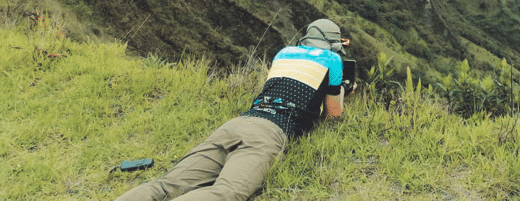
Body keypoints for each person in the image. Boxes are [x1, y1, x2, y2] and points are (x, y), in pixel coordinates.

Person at [115, 19, 351, 201]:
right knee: (226, 193)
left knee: (166, 185)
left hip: (237, 124)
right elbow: (333, 115)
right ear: (334, 44)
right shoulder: (332, 60)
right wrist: (341, 90)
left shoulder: (284, 53)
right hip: (269, 133)